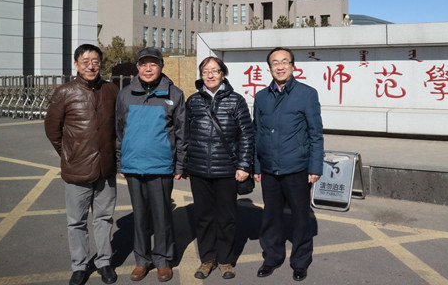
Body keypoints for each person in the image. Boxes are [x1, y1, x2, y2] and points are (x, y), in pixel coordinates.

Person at [44, 44, 119, 285]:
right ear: (76, 64)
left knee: (104, 218)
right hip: (77, 170)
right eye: (85, 61)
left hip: (106, 168)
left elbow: (118, 127)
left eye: (95, 61)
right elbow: (52, 129)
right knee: (76, 221)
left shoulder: (111, 90)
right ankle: (79, 265)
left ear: (101, 64)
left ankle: (104, 262)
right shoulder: (64, 92)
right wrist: (69, 154)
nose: (91, 66)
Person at [115, 47, 186, 282]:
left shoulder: (174, 94)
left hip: (161, 166)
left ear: (161, 66)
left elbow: (181, 133)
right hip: (133, 165)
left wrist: (179, 165)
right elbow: (119, 131)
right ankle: (142, 260)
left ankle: (163, 260)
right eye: (143, 64)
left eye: (153, 64)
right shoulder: (125, 94)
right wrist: (120, 162)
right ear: (137, 67)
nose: (148, 69)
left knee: (162, 216)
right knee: (140, 216)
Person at [253, 47, 324, 282]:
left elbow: (315, 134)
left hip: (297, 168)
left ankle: (300, 261)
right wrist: (256, 166)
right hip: (269, 168)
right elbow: (256, 133)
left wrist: (315, 167)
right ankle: (272, 257)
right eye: (275, 63)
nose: (280, 66)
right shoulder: (261, 97)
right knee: (271, 216)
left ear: (293, 66)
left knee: (301, 218)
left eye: (285, 62)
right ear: (269, 68)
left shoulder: (307, 94)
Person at [185, 56, 254, 280]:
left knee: (226, 217)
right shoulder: (193, 101)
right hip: (199, 169)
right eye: (206, 71)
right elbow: (185, 134)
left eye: (215, 70)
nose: (210, 75)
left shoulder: (236, 100)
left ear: (223, 74)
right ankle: (207, 259)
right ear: (201, 75)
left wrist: (244, 165)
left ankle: (225, 260)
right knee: (203, 217)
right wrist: (184, 163)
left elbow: (246, 135)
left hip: (226, 169)